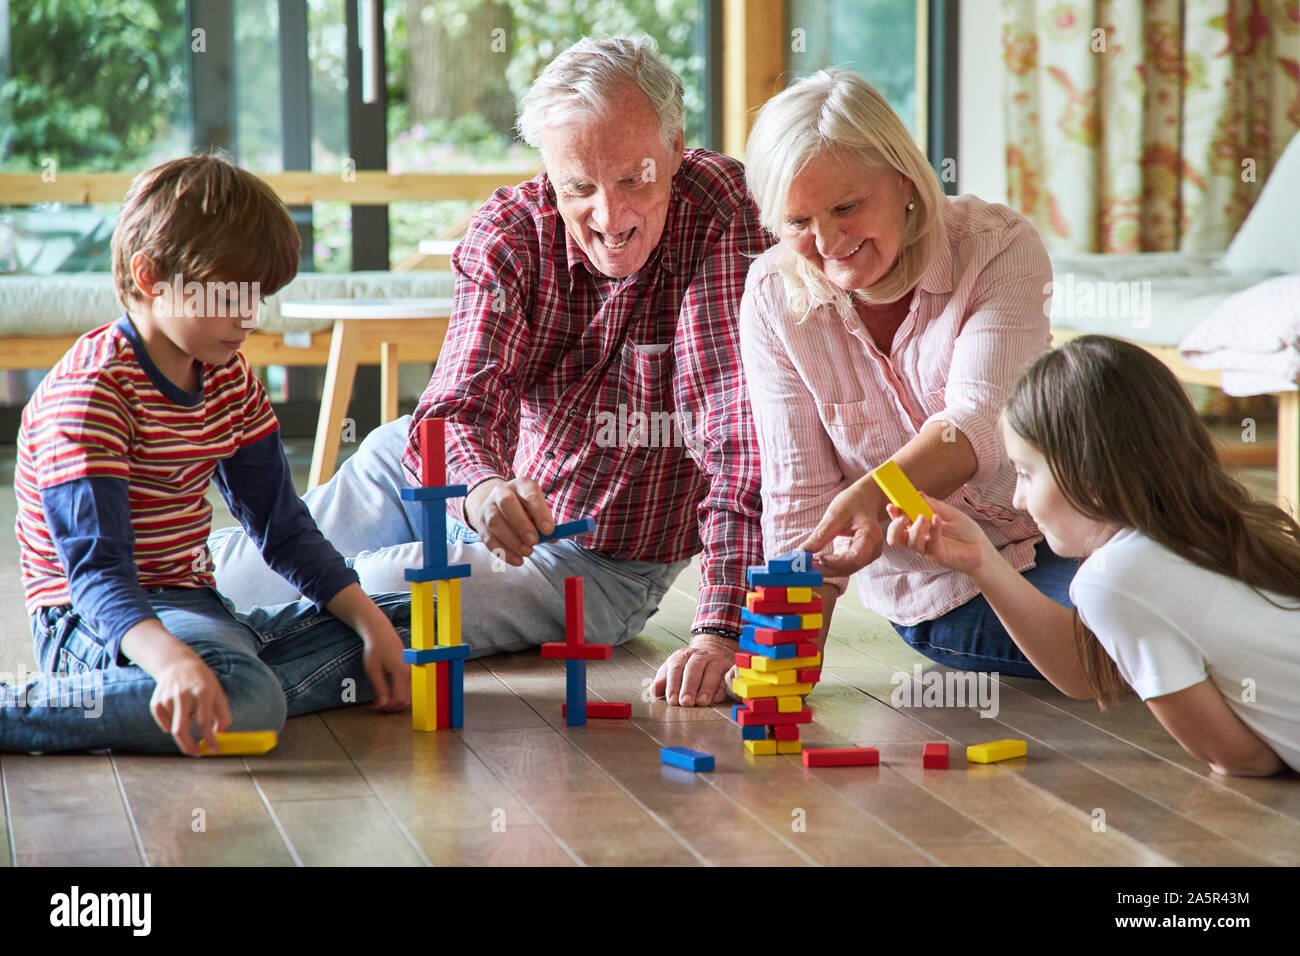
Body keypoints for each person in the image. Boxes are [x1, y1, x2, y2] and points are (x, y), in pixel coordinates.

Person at [209, 36, 768, 708]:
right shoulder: (509, 232)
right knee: (231, 578)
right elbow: (452, 416)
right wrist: (480, 488)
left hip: (590, 560)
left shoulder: (727, 216)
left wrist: (722, 629)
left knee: (368, 594)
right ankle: (105, 607)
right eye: (579, 187)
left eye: (634, 179)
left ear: (677, 148)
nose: (610, 216)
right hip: (439, 479)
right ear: (548, 169)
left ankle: (177, 659)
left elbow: (738, 439)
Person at [2, 154, 410, 754]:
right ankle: (36, 707)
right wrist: (172, 661)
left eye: (259, 296)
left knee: (407, 623)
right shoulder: (91, 395)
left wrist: (370, 622)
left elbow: (283, 528)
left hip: (199, 607)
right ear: (150, 275)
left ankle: (215, 685)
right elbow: (96, 579)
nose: (250, 317)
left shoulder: (228, 379)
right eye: (230, 297)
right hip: (97, 623)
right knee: (250, 700)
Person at [738, 68, 1071, 677]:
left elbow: (980, 421)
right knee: (1131, 640)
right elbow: (798, 494)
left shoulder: (998, 247)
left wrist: (871, 496)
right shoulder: (770, 297)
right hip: (949, 590)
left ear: (906, 180)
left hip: (1072, 530)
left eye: (847, 206)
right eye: (797, 223)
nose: (829, 240)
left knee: (1212, 601)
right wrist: (782, 671)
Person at [888, 336, 1300, 776]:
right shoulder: (1220, 525)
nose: (1019, 498)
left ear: (1087, 474)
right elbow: (1083, 673)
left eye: (1026, 473)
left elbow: (1243, 759)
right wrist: (981, 561)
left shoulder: (1115, 578)